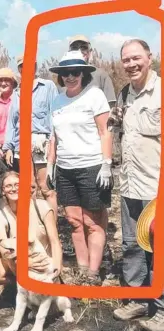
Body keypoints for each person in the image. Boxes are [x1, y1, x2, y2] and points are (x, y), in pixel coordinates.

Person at [110, 39, 163, 330]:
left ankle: (162, 309)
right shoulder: (124, 95)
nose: (131, 64)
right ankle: (138, 299)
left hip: (157, 187)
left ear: (149, 57)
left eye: (135, 58)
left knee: (159, 247)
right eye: (126, 60)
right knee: (131, 244)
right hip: (130, 183)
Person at [46, 50, 113, 285]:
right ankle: (82, 270)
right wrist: (51, 164)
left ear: (83, 73)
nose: (70, 77)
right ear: (60, 76)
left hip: (91, 165)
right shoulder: (58, 99)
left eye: (75, 72)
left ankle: (93, 273)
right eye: (66, 73)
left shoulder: (94, 95)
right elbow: (54, 136)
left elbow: (105, 131)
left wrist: (106, 164)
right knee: (74, 221)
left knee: (93, 222)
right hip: (65, 168)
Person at [0, 171, 63, 289]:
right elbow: (5, 252)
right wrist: (26, 264)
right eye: (8, 186)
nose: (13, 189)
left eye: (17, 184)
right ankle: (17, 285)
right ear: (3, 190)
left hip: (44, 258)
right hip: (18, 262)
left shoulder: (42, 207)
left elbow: (55, 241)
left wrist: (57, 268)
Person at [3, 55, 59, 217]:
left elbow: (55, 114)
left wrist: (53, 144)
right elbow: (12, 123)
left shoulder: (47, 86)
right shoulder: (17, 93)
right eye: (22, 66)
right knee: (29, 186)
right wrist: (9, 147)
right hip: (22, 142)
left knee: (46, 186)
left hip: (42, 140)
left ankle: (52, 227)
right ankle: (34, 226)